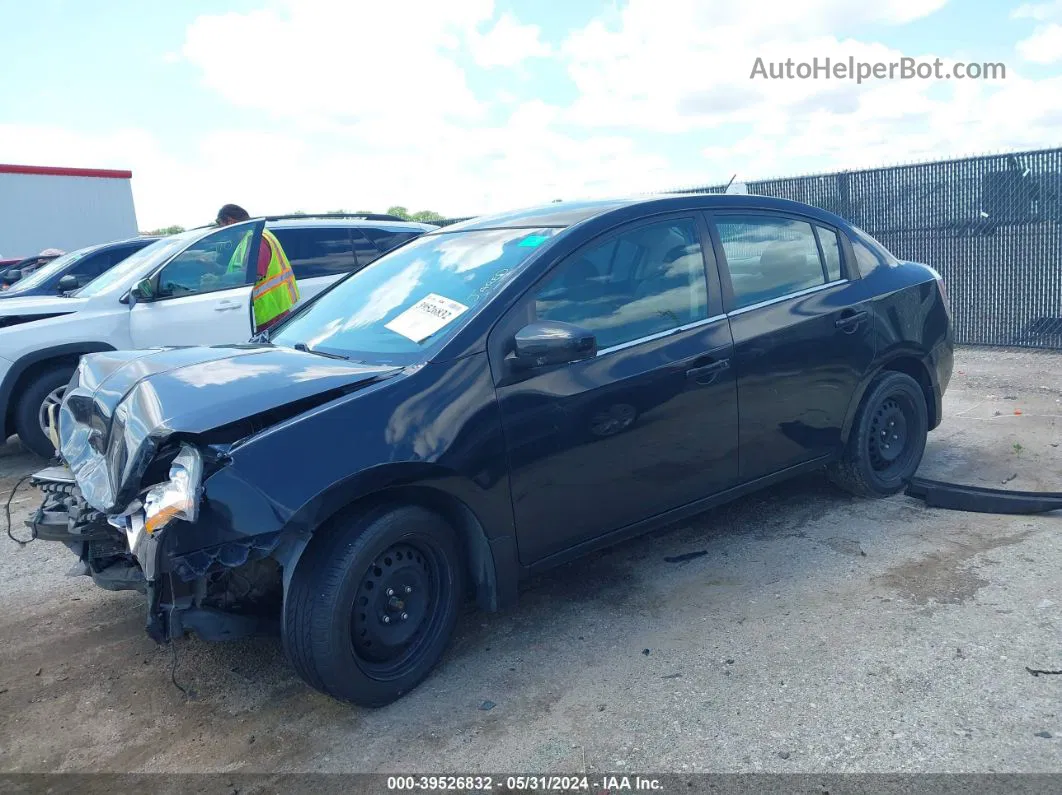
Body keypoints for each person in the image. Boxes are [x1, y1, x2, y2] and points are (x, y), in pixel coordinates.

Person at [213, 203, 300, 334]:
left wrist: (218, 280)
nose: (223, 232)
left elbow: (254, 274)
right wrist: (214, 267)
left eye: (222, 226)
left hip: (270, 314)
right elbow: (240, 269)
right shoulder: (249, 238)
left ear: (231, 222)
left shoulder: (257, 239)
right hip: (266, 312)